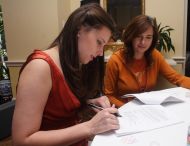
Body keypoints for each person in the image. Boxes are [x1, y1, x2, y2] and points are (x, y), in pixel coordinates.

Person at [12, 3, 120, 146]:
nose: (100, 52)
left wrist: (89, 104)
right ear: (79, 30)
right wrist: (90, 127)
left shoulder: (73, 63)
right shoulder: (39, 67)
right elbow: (21, 140)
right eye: (99, 42)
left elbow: (57, 107)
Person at [104, 14, 190, 107]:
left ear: (153, 39)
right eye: (139, 36)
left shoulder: (155, 56)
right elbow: (109, 95)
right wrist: (127, 109)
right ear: (131, 36)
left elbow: (177, 78)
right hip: (123, 113)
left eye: (148, 37)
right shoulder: (115, 60)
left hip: (148, 110)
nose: (143, 42)